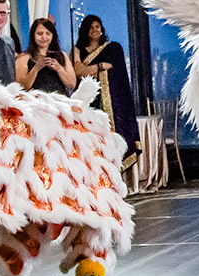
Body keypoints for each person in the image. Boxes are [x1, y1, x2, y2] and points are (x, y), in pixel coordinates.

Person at [73, 13, 139, 164]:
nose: (94, 30)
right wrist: (100, 67)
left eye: (97, 26)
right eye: (90, 27)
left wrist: (89, 69)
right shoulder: (78, 50)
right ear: (85, 30)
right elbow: (78, 72)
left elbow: (115, 72)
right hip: (91, 100)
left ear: (102, 29)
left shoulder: (112, 49)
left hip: (113, 102)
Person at [17, 16, 78, 95]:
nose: (44, 37)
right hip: (35, 103)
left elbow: (72, 85)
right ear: (33, 35)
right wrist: (36, 68)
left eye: (48, 34)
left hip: (60, 103)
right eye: (39, 34)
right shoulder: (24, 58)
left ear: (53, 36)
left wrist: (59, 68)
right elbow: (21, 88)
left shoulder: (62, 56)